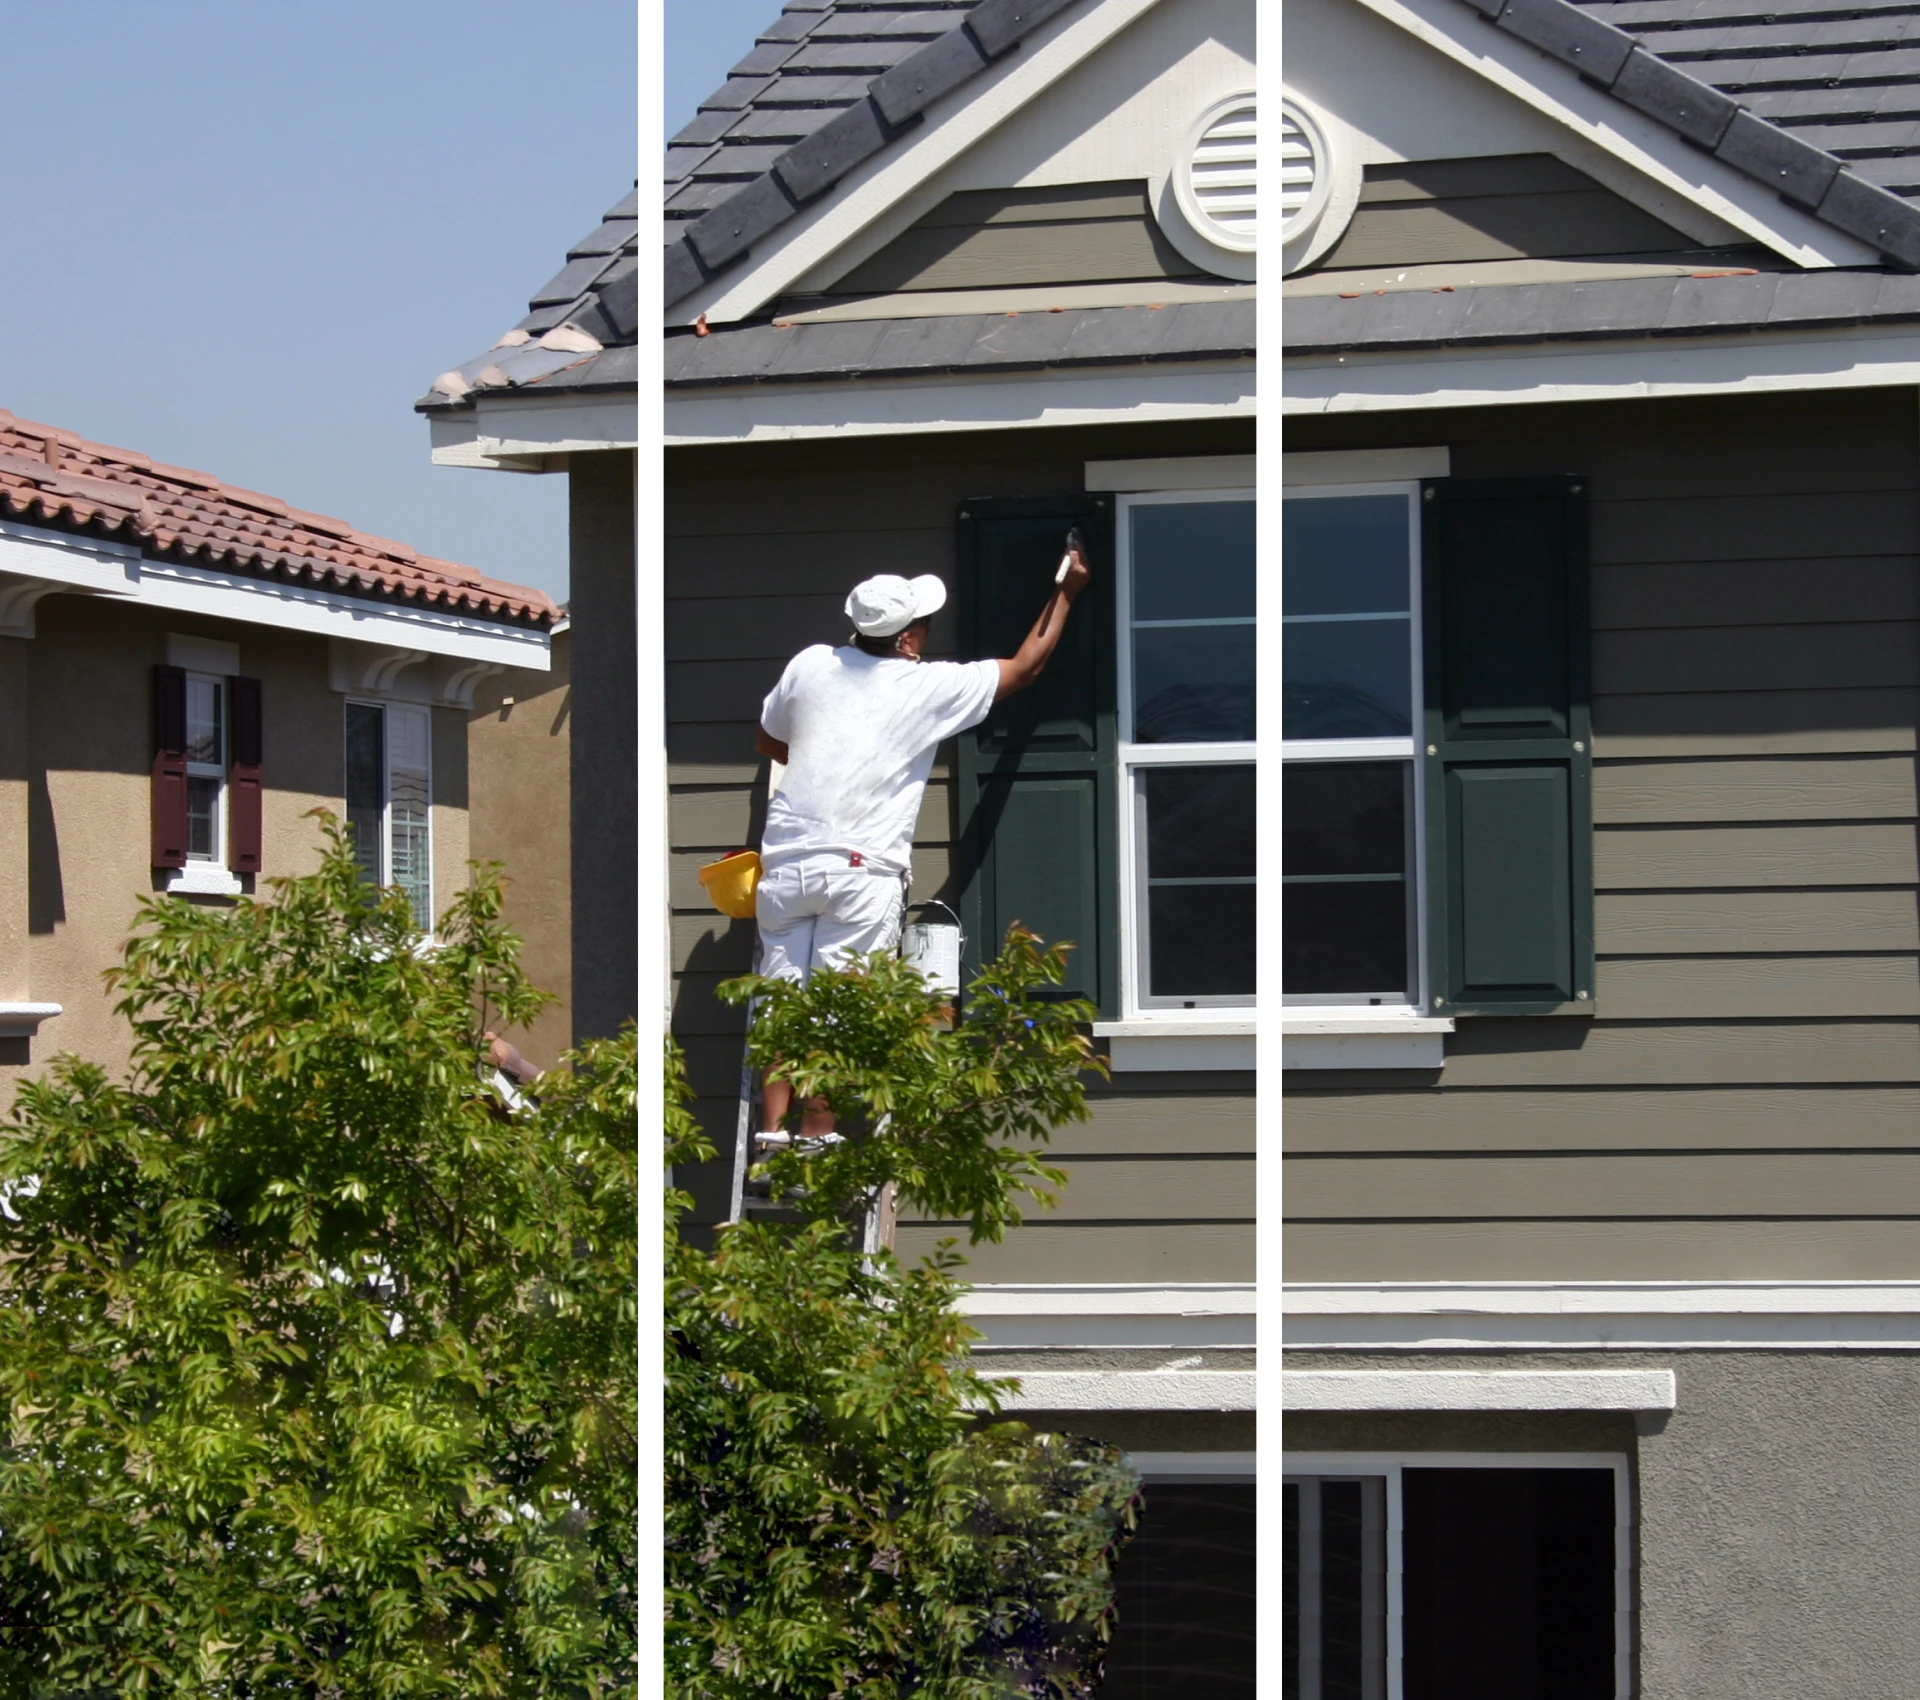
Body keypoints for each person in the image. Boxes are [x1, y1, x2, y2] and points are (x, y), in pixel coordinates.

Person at [751, 538, 1092, 1142]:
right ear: (906, 638)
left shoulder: (809, 664)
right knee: (838, 1011)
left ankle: (773, 1133)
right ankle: (814, 1139)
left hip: (785, 864)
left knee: (783, 1007)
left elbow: (770, 742)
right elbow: (1026, 667)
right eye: (924, 626)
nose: (927, 635)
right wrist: (1066, 591)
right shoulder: (924, 687)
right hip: (858, 871)